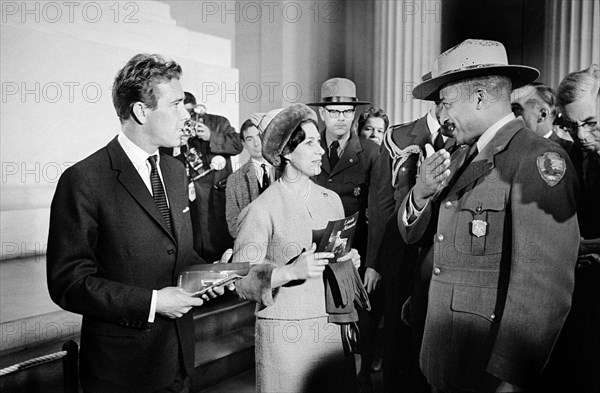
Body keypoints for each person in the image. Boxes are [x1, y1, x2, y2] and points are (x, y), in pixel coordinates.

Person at [399, 39, 580, 392]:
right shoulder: (459, 155)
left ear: (480, 97)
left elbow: (543, 285)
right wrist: (420, 193)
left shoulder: (536, 159)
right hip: (444, 356)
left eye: (445, 104)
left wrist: (511, 377)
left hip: (486, 368)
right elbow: (420, 239)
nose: (441, 116)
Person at [46, 54, 225, 393]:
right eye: (176, 104)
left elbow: (179, 254)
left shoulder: (174, 171)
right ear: (142, 111)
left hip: (179, 362)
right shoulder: (84, 180)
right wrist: (154, 303)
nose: (187, 114)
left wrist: (211, 273)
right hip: (122, 372)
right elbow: (68, 283)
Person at [231, 103, 366, 393]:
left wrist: (347, 263)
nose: (320, 150)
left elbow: (335, 258)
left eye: (319, 141)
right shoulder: (260, 210)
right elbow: (241, 280)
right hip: (286, 338)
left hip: (331, 329)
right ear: (286, 154)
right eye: (310, 143)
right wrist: (289, 272)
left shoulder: (331, 200)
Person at [367, 96, 454, 393]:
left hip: (442, 259)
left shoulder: (466, 137)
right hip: (400, 259)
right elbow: (380, 207)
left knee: (433, 345)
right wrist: (374, 263)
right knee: (397, 345)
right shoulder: (398, 138)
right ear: (440, 99)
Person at [309, 78, 379, 391]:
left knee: (356, 339)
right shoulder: (306, 147)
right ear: (322, 114)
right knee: (317, 339)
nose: (341, 117)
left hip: (354, 262)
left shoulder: (372, 153)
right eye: (334, 111)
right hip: (312, 260)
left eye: (346, 111)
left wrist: (374, 265)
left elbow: (380, 213)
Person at [541, 64, 600, 393]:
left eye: (591, 123)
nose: (581, 135)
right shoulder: (578, 156)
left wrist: (589, 244)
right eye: (573, 126)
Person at [166, 92, 243, 262]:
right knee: (194, 241)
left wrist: (211, 136)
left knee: (222, 240)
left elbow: (238, 145)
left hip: (218, 194)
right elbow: (167, 161)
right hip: (191, 197)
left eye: (192, 113)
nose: (188, 118)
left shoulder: (218, 122)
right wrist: (178, 143)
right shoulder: (174, 128)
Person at [225, 112, 277, 238]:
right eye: (249, 139)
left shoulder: (285, 169)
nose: (256, 143)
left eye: (259, 136)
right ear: (243, 143)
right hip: (252, 246)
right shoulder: (234, 180)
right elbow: (233, 225)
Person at [511, 82, 573, 152]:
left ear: (543, 114)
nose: (509, 117)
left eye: (516, 109)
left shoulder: (570, 152)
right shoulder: (511, 149)